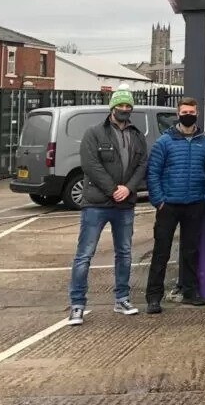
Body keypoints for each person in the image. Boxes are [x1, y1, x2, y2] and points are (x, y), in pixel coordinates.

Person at [66, 89, 148, 325]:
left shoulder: (136, 135)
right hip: (97, 204)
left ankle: (122, 298)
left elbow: (142, 165)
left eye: (128, 106)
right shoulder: (94, 133)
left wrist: (128, 189)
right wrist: (113, 189)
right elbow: (90, 165)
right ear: (112, 108)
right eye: (120, 106)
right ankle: (77, 305)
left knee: (124, 253)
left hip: (125, 204)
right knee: (84, 255)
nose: (124, 110)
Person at [145, 97, 205, 314]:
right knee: (161, 251)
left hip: (195, 204)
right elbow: (153, 173)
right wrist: (159, 200)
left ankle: (190, 292)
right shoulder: (164, 142)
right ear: (178, 114)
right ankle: (154, 297)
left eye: (191, 111)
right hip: (169, 206)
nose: (188, 115)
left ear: (197, 113)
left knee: (191, 251)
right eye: (184, 111)